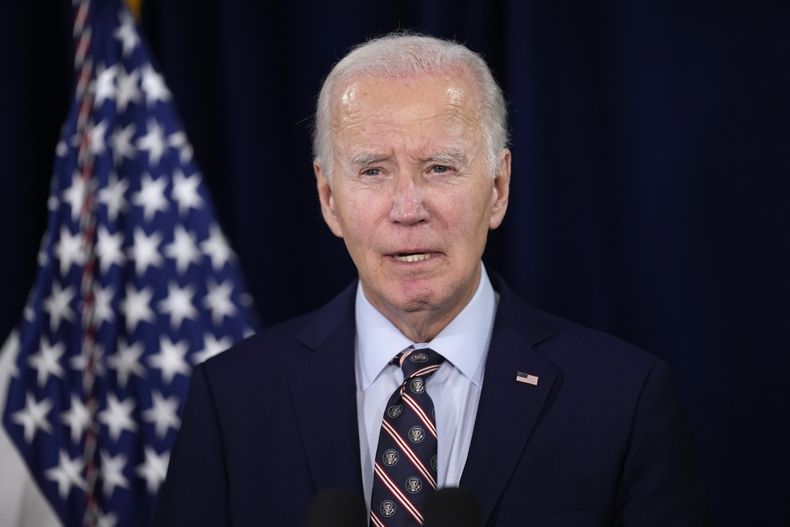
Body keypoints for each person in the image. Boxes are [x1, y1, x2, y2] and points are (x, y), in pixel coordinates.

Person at [153, 33, 709, 526]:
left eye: (439, 168)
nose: (407, 208)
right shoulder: (231, 401)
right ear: (328, 198)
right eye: (373, 171)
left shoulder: (623, 400)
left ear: (498, 187)